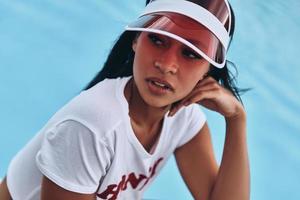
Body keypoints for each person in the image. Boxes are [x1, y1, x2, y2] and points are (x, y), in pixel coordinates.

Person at [0, 0, 250, 199]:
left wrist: (236, 119)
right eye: (157, 39)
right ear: (135, 40)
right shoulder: (92, 124)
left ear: (208, 71)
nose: (166, 65)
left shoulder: (183, 118)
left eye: (190, 53)